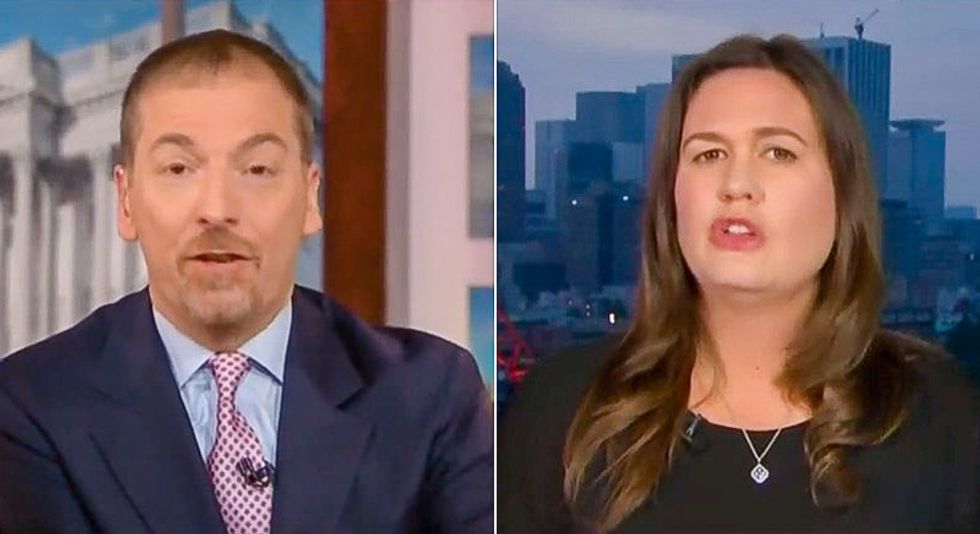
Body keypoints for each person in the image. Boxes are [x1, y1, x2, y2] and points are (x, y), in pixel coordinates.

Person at [0, 30, 492, 534]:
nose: (217, 209)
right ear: (126, 202)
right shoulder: (30, 405)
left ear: (309, 199)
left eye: (257, 169)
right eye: (179, 168)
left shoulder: (430, 392)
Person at [499, 34, 979, 533]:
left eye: (778, 152)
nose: (736, 185)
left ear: (842, 197)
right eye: (708, 154)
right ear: (671, 198)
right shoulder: (560, 409)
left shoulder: (938, 413)